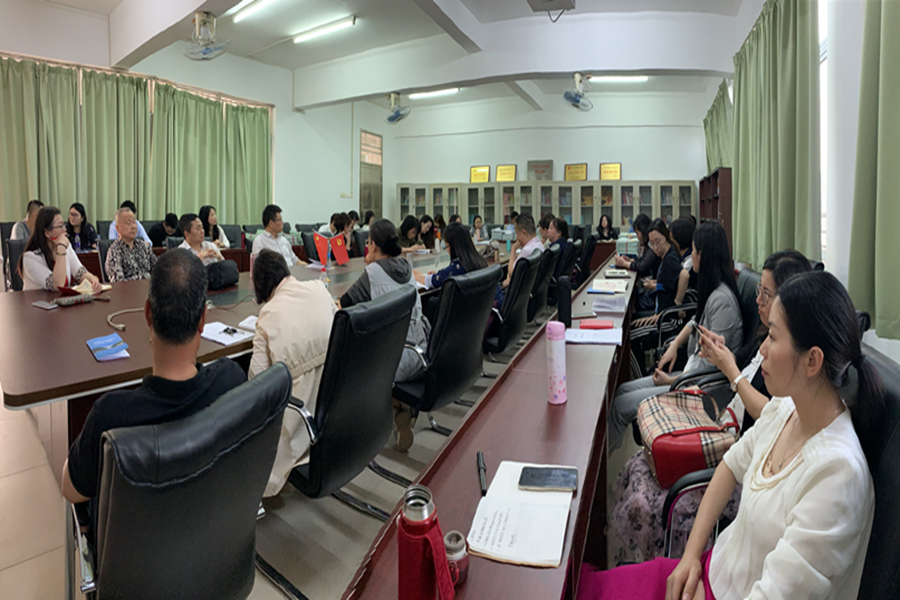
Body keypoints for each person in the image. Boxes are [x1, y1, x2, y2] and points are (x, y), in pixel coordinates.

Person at [583, 270, 883, 600]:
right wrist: (690, 557)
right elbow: (729, 466)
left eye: (773, 337)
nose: (763, 349)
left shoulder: (836, 475)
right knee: (585, 587)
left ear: (812, 360)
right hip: (709, 571)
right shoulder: (785, 409)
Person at [609, 250, 812, 565]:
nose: (758, 300)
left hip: (732, 442)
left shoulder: (791, 368)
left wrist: (730, 370)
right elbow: (743, 368)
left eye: (766, 294)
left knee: (643, 496)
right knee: (642, 462)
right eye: (758, 291)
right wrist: (723, 353)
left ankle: (648, 565)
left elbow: (773, 415)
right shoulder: (763, 338)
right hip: (726, 434)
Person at [61, 250, 247, 537]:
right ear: (203, 319)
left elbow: (70, 490)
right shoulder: (232, 381)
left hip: (133, 558)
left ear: (147, 313)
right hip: (213, 542)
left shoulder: (110, 417)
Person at [608, 221, 743, 450]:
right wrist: (674, 345)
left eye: (694, 250)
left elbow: (714, 364)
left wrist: (671, 381)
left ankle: (601, 467)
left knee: (621, 406)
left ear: (702, 255)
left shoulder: (722, 302)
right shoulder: (713, 292)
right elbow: (695, 322)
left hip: (701, 389)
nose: (691, 255)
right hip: (690, 375)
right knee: (622, 390)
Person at [248, 250, 337, 497]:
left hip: (297, 423)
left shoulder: (268, 314)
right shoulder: (320, 289)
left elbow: (256, 382)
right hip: (334, 411)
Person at [340, 219, 431, 451]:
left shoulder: (373, 272)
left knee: (351, 349)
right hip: (420, 354)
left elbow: (345, 304)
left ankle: (385, 410)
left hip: (393, 362)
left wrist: (369, 266)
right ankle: (401, 407)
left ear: (372, 245)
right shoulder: (406, 268)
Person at [19, 207, 102, 293]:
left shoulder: (66, 247)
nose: (64, 229)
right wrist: (61, 249)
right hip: (38, 301)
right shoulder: (30, 258)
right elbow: (57, 285)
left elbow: (80, 273)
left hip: (61, 300)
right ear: (47, 233)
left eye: (64, 225)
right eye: (60, 226)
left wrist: (93, 280)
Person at [413, 222, 488, 290]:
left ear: (454, 247)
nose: (446, 250)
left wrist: (419, 276)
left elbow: (429, 281)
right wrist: (439, 275)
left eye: (446, 246)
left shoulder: (456, 268)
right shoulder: (480, 260)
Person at [635, 219, 682, 314]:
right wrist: (657, 282)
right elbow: (669, 283)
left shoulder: (670, 259)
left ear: (666, 237)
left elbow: (684, 275)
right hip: (661, 309)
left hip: (665, 314)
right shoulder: (666, 255)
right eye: (652, 243)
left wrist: (678, 304)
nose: (655, 247)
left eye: (658, 241)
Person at [105, 207, 157, 282]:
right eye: (128, 223)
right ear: (118, 228)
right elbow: (118, 282)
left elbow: (158, 268)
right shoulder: (114, 251)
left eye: (134, 222)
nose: (133, 227)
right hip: (128, 289)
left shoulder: (143, 246)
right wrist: (145, 277)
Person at [500, 212, 544, 292]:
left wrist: (513, 249)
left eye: (517, 234)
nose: (517, 238)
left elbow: (512, 273)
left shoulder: (527, 250)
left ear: (523, 232)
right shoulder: (539, 244)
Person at [614, 213, 659, 278]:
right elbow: (644, 259)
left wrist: (625, 264)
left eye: (637, 234)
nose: (637, 238)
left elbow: (643, 267)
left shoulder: (652, 243)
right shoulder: (648, 244)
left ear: (643, 231)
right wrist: (630, 260)